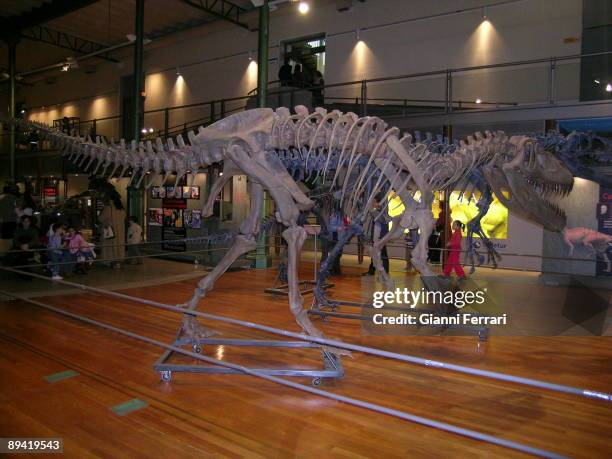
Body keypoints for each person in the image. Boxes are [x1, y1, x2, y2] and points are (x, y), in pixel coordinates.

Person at [363, 197, 390, 276]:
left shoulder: (381, 214)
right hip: (376, 238)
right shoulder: (376, 213)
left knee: (383, 254)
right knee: (374, 253)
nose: (373, 203)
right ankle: (372, 271)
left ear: (379, 203)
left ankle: (385, 271)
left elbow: (384, 226)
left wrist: (382, 238)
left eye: (374, 202)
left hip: (380, 238)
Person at [0, 185, 18, 255]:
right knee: (11, 237)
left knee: (3, 237)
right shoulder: (13, 197)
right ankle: (9, 253)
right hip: (11, 219)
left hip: (3, 220)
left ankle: (3, 253)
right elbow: (16, 208)